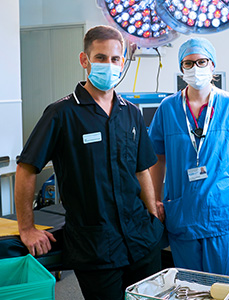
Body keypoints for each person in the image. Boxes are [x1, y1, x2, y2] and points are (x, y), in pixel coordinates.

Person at [15, 25, 164, 300]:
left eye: (115, 59)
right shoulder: (61, 113)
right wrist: (26, 227)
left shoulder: (130, 113)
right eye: (100, 58)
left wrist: (152, 212)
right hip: (95, 246)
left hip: (141, 240)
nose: (109, 65)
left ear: (123, 62)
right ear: (85, 61)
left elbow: (142, 168)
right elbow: (26, 168)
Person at [148, 37, 229, 279]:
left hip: (222, 213)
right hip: (183, 210)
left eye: (201, 61)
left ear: (212, 66)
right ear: (182, 68)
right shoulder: (168, 108)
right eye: (188, 63)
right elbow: (158, 157)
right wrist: (156, 199)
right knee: (191, 284)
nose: (195, 68)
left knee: (228, 282)